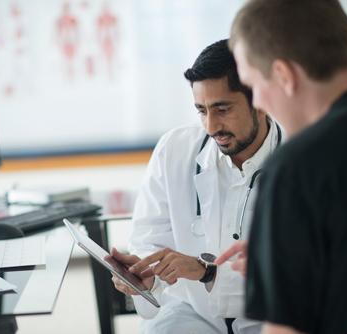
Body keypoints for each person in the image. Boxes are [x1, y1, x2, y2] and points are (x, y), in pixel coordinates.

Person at [216, 1, 347, 334]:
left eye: (253, 86)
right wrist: (292, 247)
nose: (257, 103)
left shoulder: (292, 171)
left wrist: (284, 255)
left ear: (284, 75)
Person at [111, 39, 282, 333]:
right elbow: (149, 238)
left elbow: (301, 277)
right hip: (194, 314)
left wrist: (207, 273)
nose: (211, 126)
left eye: (222, 109)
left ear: (262, 102)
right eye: (202, 110)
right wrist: (148, 274)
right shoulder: (175, 149)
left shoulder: (304, 162)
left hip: (272, 318)